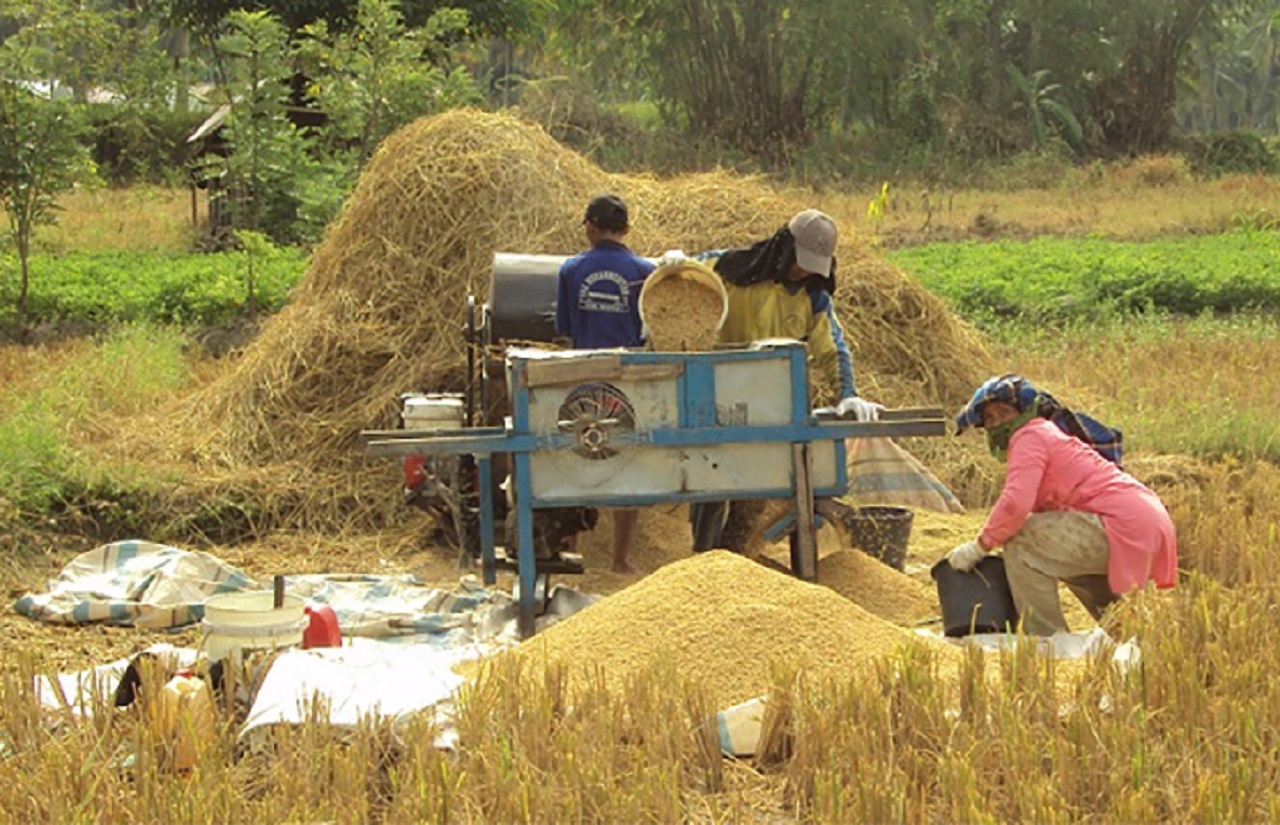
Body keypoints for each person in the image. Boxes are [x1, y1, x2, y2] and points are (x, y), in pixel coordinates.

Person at [672, 209, 884, 551]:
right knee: (710, 486)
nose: (802, 271)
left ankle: (733, 558)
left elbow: (833, 350)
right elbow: (683, 277)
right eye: (799, 261)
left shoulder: (812, 298)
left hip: (773, 406)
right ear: (783, 247)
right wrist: (675, 265)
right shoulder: (729, 270)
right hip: (715, 397)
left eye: (812, 266)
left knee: (755, 491)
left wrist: (848, 393)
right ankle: (705, 557)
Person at [946, 374, 1177, 635]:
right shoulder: (1045, 433)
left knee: (1021, 539)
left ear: (1024, 411)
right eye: (989, 418)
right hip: (1143, 520)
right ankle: (1128, 633)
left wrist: (980, 546)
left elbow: (1015, 504)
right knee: (1053, 552)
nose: (997, 421)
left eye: (1004, 412)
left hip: (1123, 521)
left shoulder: (1029, 435)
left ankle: (1047, 642)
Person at [555, 193, 655, 572]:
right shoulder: (646, 271)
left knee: (573, 462)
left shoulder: (570, 270)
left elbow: (563, 330)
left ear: (590, 228)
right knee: (626, 463)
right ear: (627, 229)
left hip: (581, 377)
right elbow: (650, 330)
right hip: (628, 380)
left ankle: (571, 550)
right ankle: (620, 559)